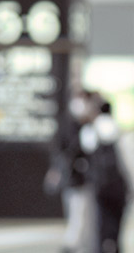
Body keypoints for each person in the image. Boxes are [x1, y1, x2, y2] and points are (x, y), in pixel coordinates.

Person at [50, 90, 96, 253]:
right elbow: (60, 150)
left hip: (84, 179)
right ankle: (72, 244)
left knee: (82, 214)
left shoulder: (88, 126)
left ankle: (77, 243)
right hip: (72, 178)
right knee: (76, 212)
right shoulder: (68, 124)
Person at [82, 101, 130, 253]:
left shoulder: (91, 130)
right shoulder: (120, 131)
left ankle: (101, 246)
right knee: (117, 219)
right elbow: (129, 161)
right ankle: (114, 245)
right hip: (118, 184)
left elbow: (86, 152)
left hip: (99, 184)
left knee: (101, 219)